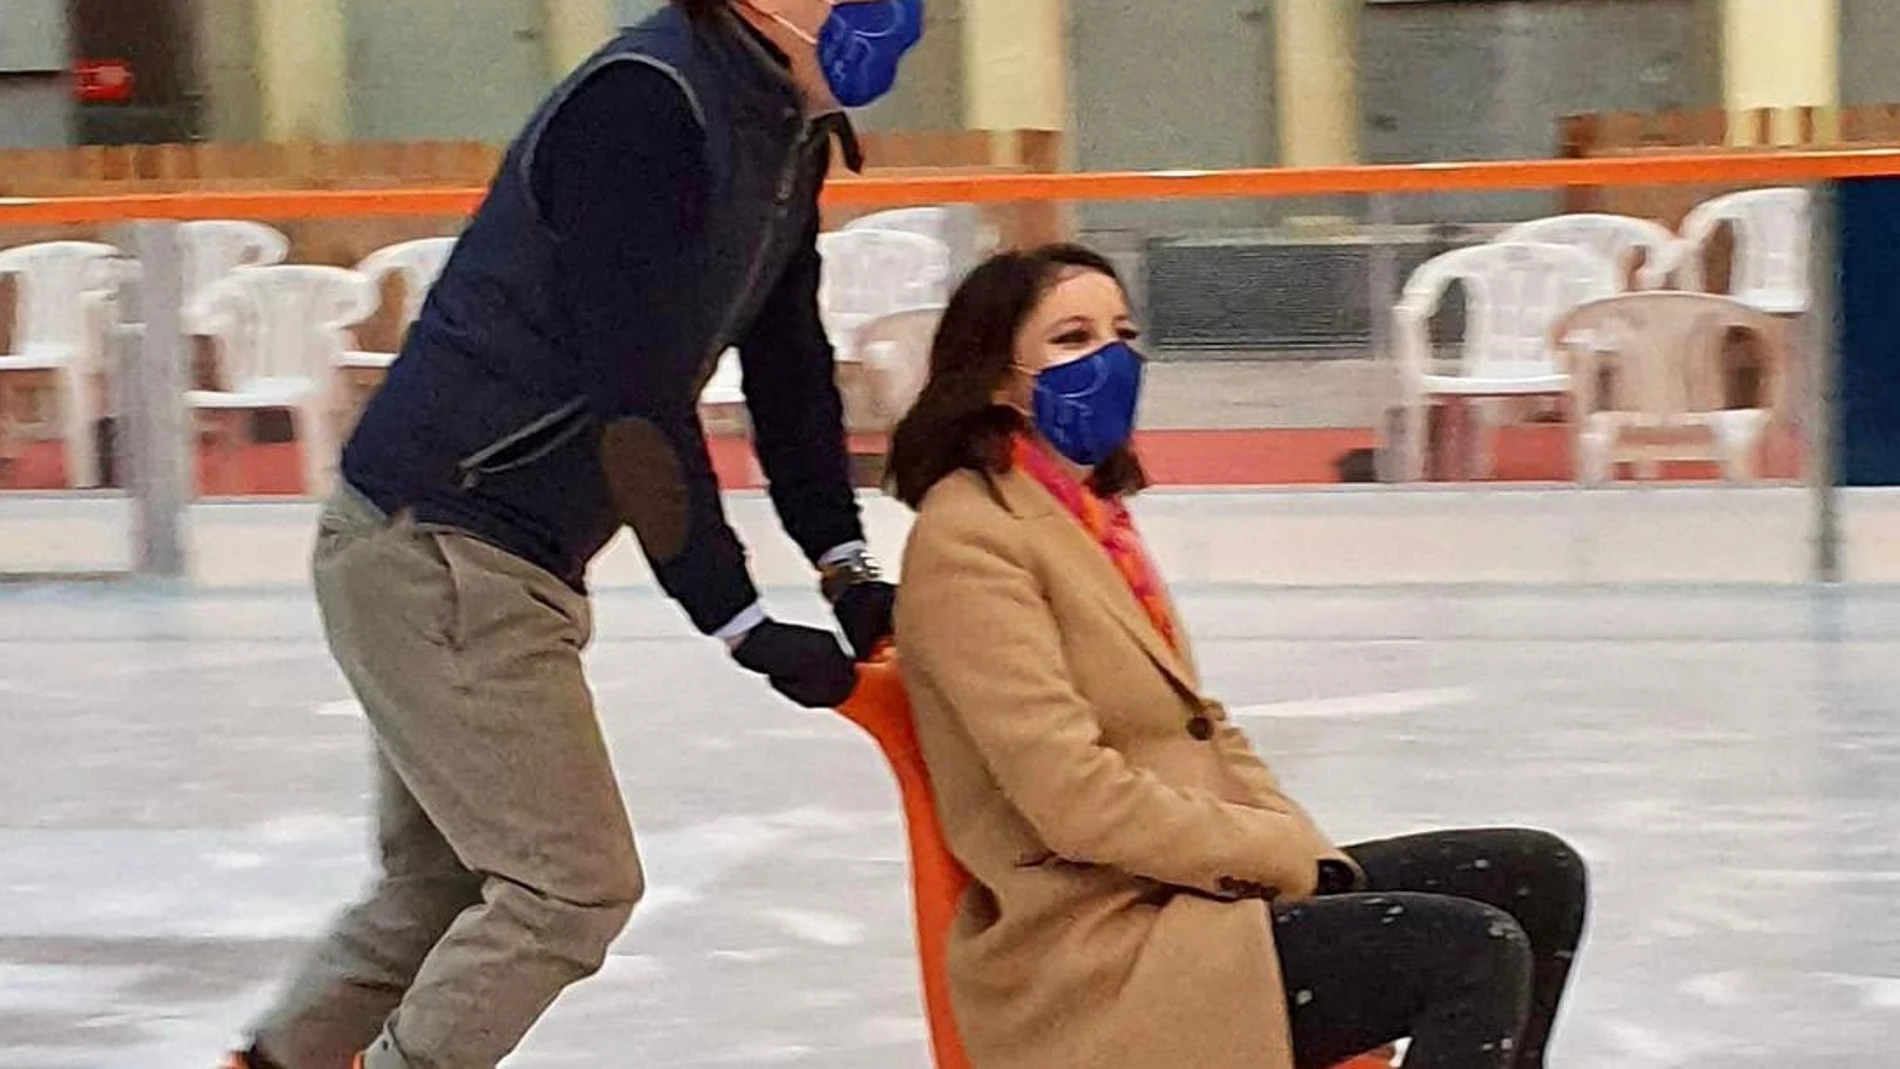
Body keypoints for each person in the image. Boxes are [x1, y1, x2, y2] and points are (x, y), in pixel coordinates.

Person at [226, 1, 923, 1067]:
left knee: (439, 888)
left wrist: (844, 564)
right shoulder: (646, 105)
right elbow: (635, 403)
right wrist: (735, 619)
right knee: (569, 886)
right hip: (445, 542)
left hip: (466, 548)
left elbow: (788, 371)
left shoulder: (783, 123)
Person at [886, 244, 1589, 1069]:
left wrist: (1298, 846)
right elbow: (1072, 798)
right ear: (998, 379)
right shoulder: (969, 542)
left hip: (1191, 897)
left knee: (1536, 876)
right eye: (1073, 338)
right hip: (1100, 952)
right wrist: (1273, 860)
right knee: (1469, 950)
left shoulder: (1087, 517)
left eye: (1123, 332)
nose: (1110, 359)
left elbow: (1201, 726)